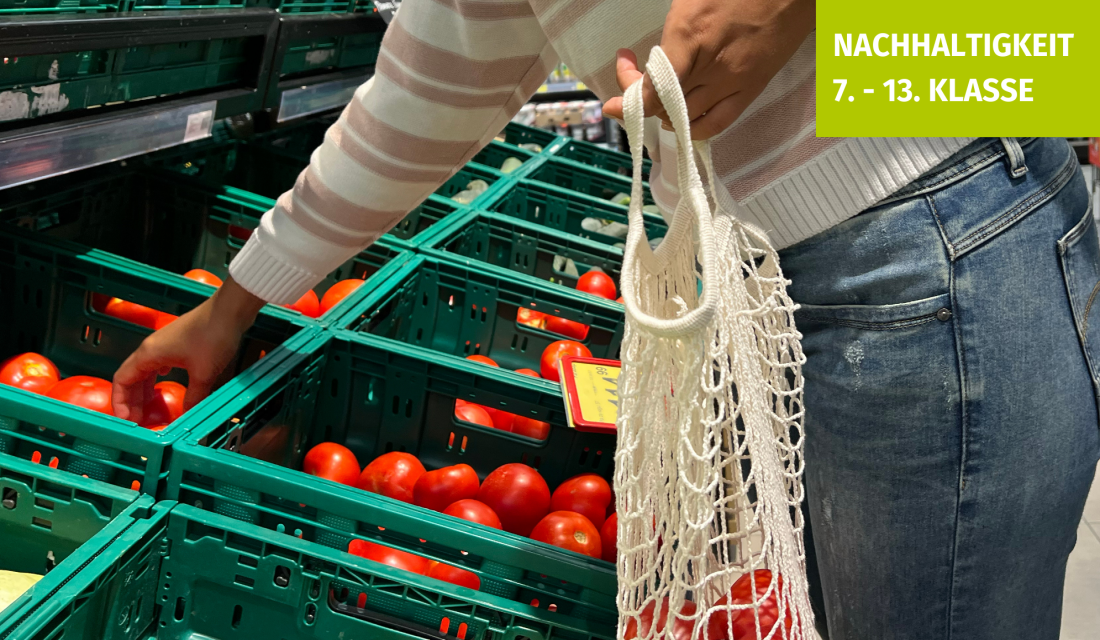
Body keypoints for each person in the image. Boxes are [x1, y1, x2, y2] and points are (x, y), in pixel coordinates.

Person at [111, 1, 1099, 638]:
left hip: (937, 204)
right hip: (766, 280)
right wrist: (237, 299)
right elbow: (427, 86)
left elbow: (1026, 50)